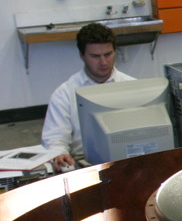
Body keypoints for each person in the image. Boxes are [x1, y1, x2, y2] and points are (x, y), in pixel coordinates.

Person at [41, 22, 135, 171]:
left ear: (115, 51)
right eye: (95, 56)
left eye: (108, 54)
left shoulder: (133, 86)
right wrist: (60, 154)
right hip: (83, 164)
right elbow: (55, 139)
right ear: (82, 56)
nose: (103, 62)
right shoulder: (64, 93)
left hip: (127, 159)